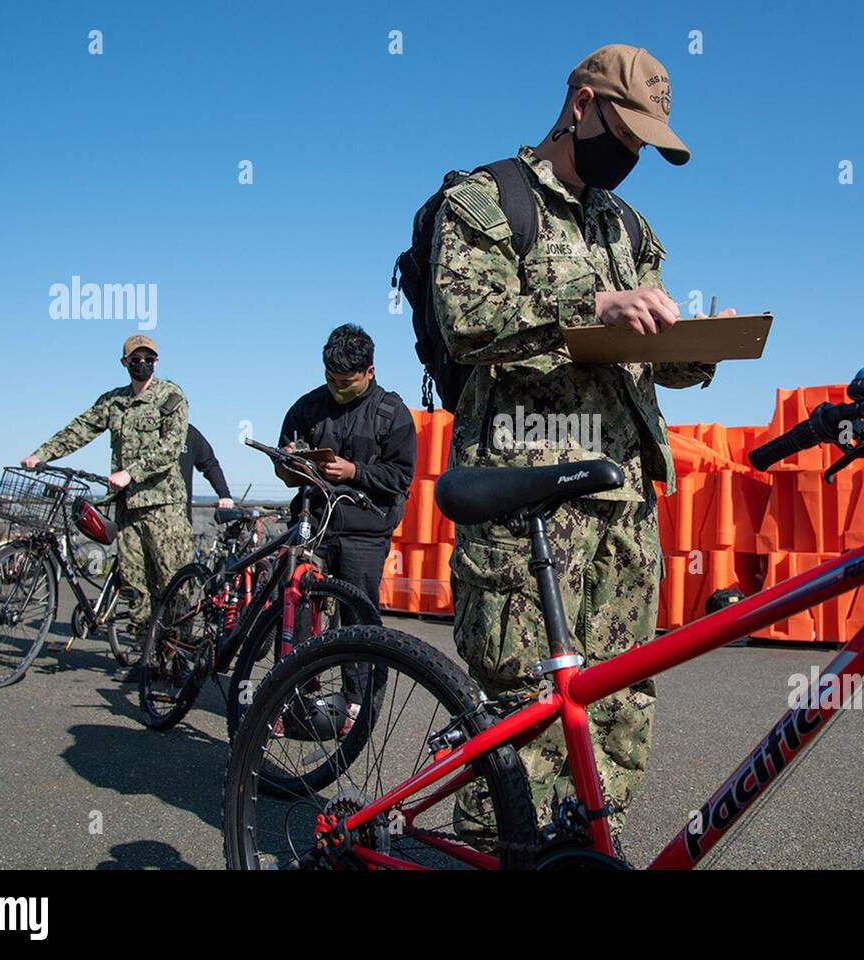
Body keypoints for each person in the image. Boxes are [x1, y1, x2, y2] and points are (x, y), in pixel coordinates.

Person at [431, 43, 736, 843]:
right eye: (625, 134)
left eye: (645, 145)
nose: (631, 155)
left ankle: (588, 851)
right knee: (526, 709)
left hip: (625, 501)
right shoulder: (489, 196)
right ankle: (493, 856)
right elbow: (469, 321)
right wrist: (592, 302)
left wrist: (690, 345)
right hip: (528, 497)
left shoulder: (625, 222)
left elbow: (643, 347)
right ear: (580, 105)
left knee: (621, 697)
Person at [21, 335, 193, 681]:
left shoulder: (171, 397)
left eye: (148, 358)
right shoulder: (114, 402)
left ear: (156, 362)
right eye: (135, 358)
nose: (142, 363)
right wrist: (41, 454)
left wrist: (131, 472)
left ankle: (179, 659)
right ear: (124, 363)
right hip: (128, 508)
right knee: (135, 585)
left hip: (163, 507)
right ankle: (150, 660)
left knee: (174, 584)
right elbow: (80, 428)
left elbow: (170, 448)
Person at [278, 324, 417, 720]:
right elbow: (286, 463)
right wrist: (289, 463)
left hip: (365, 531)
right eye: (331, 379)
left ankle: (359, 705)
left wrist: (355, 471)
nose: (337, 387)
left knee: (357, 617)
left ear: (369, 371)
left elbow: (401, 478)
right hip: (314, 524)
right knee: (296, 608)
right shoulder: (306, 407)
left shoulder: (392, 412)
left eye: (347, 382)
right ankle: (291, 697)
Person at [179, 424, 235, 521]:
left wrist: (224, 494)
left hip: (178, 518)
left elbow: (210, 464)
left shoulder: (188, 432)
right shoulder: (144, 429)